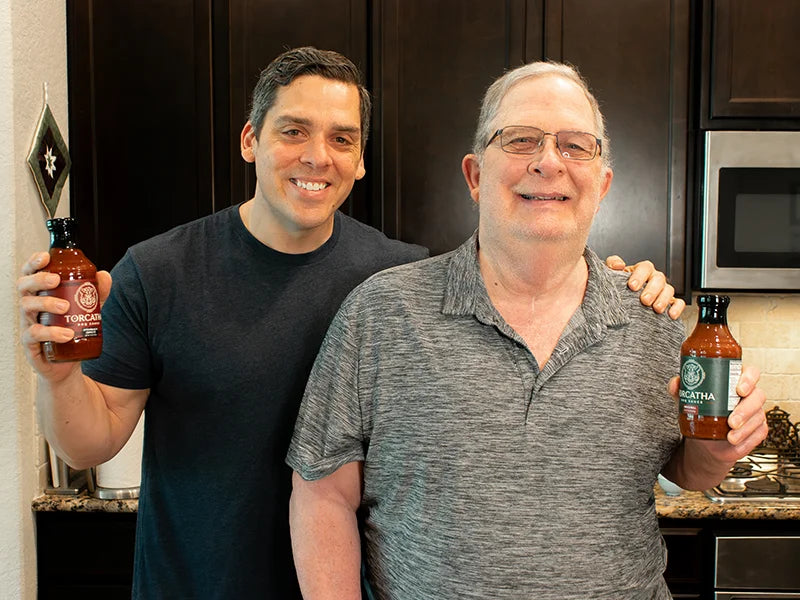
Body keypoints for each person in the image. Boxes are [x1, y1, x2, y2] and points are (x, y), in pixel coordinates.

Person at [19, 48, 678, 598]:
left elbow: (524, 272)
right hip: (197, 585)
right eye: (293, 131)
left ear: (361, 159)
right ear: (252, 140)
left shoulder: (395, 279)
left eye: (342, 139)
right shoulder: (159, 271)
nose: (318, 156)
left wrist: (616, 285)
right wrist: (58, 378)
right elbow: (90, 443)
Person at [286, 60, 769, 600]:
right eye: (519, 140)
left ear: (602, 182)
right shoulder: (380, 313)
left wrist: (721, 450)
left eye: (575, 145)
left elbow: (685, 470)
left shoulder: (653, 321)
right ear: (474, 175)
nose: (547, 162)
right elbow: (322, 493)